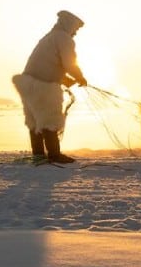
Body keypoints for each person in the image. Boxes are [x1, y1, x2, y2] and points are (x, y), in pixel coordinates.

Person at [12, 10, 87, 164]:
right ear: (70, 25)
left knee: (35, 121)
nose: (76, 32)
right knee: (50, 120)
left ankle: (38, 155)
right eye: (76, 28)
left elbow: (47, 64)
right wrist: (80, 77)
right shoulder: (64, 38)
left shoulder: (49, 37)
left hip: (28, 84)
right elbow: (69, 64)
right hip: (43, 86)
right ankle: (54, 155)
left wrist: (64, 79)